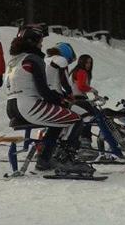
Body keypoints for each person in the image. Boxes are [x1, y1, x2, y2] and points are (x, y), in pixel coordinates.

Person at [5, 25, 92, 174]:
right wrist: (62, 101)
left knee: (57, 123)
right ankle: (66, 160)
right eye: (40, 42)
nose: (42, 45)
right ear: (32, 42)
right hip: (29, 106)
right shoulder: (33, 58)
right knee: (76, 120)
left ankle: (45, 159)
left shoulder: (15, 60)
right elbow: (43, 90)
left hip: (12, 107)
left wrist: (58, 101)